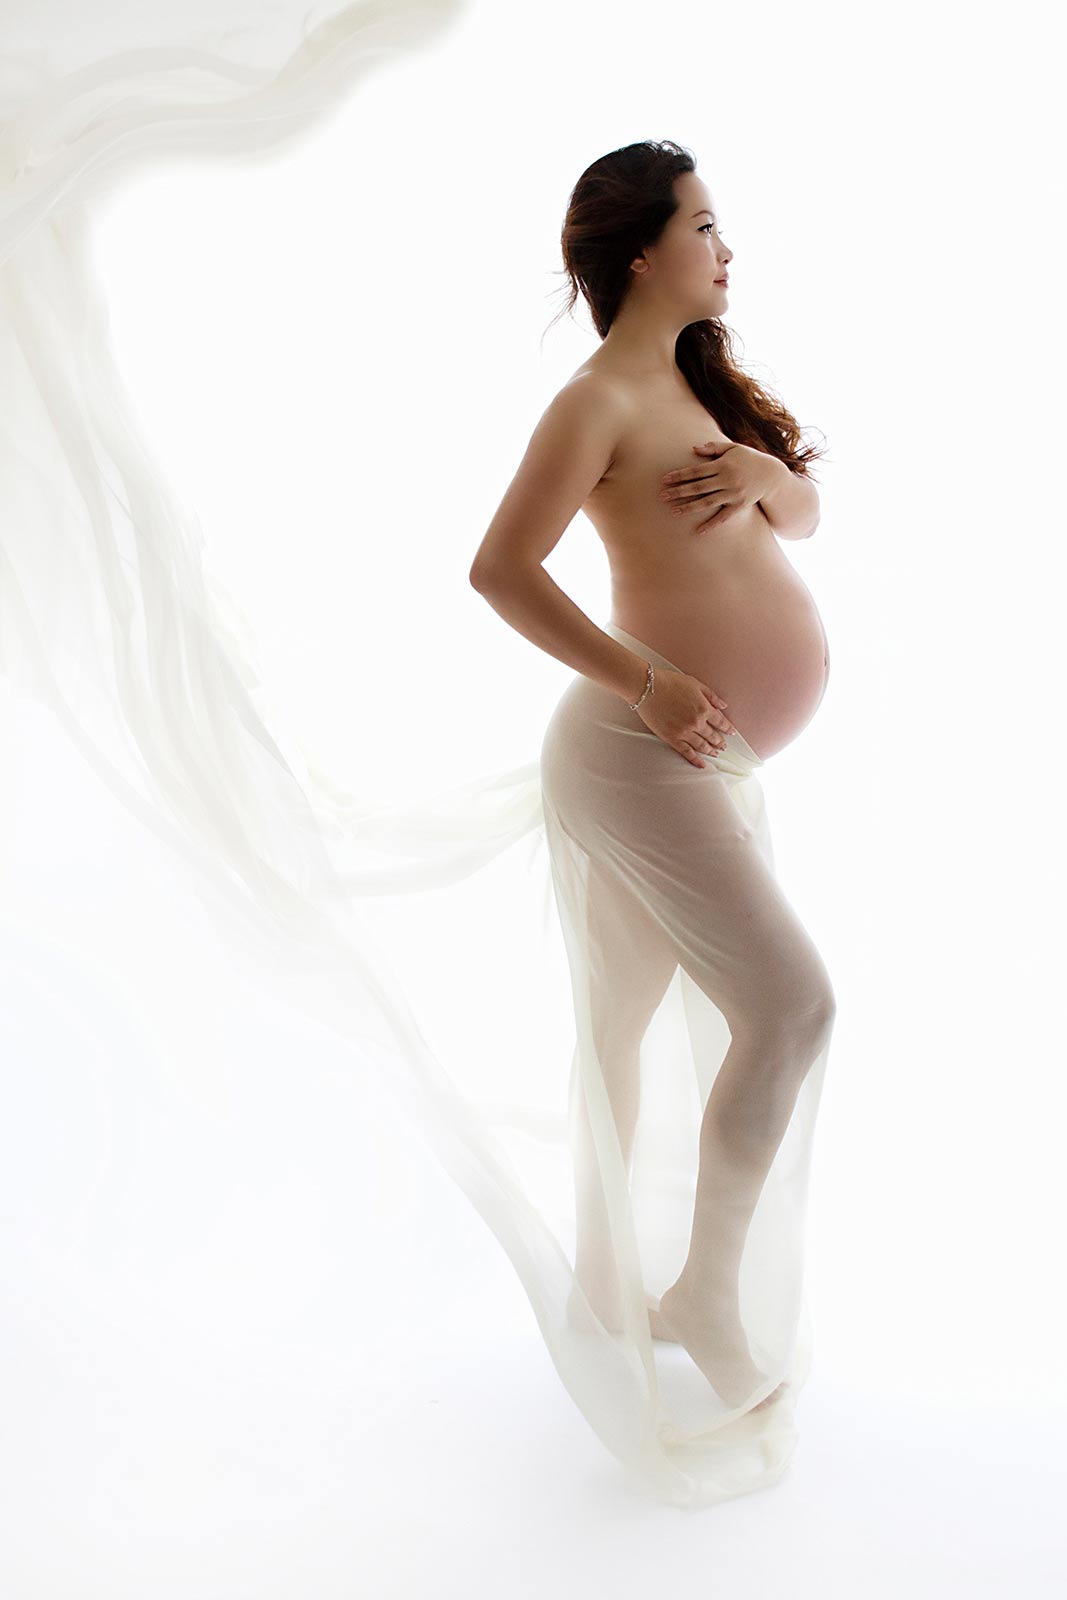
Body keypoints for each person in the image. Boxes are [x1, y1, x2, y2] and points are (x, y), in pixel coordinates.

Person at [470, 140, 836, 1423]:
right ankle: (701, 1298)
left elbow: (803, 520)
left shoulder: (695, 384)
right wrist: (646, 683)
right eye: (703, 226)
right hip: (631, 756)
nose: (725, 249)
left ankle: (605, 1285)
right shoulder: (595, 404)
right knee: (790, 1007)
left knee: (621, 1023)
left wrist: (767, 477)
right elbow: (499, 570)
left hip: (691, 762)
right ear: (640, 253)